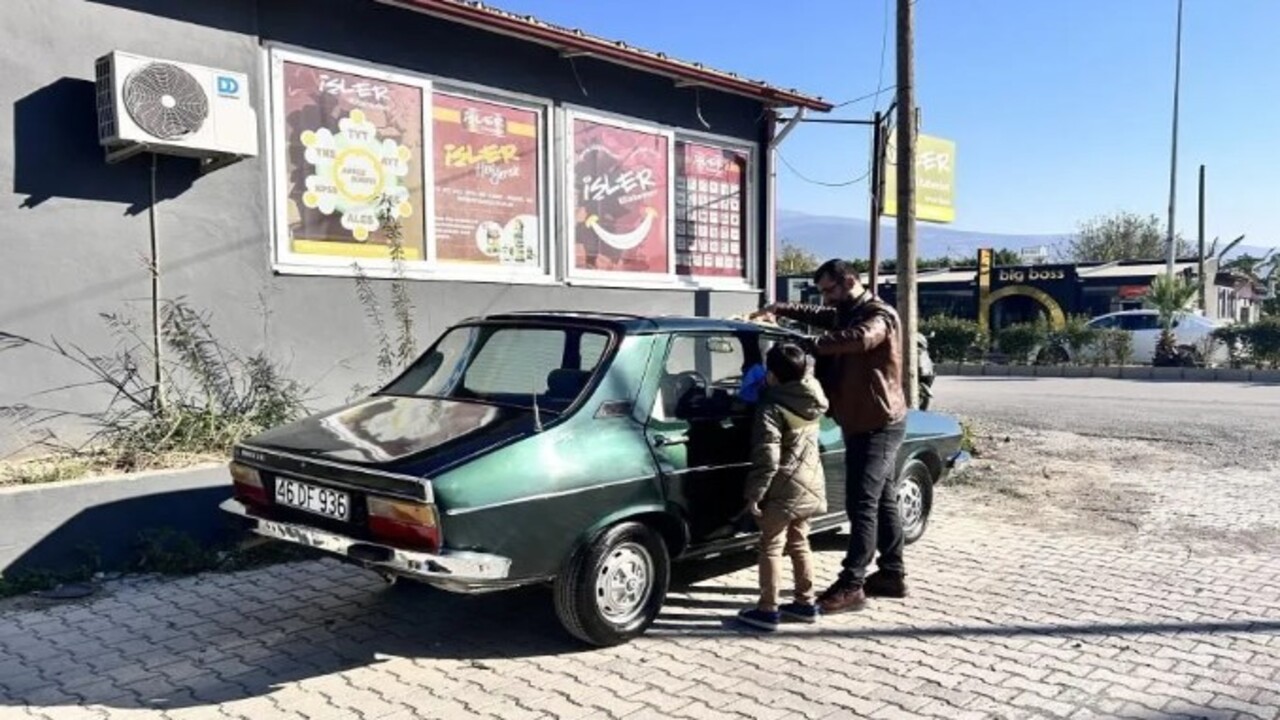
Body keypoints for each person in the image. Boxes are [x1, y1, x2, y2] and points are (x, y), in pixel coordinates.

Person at [751, 259, 908, 615]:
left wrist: (809, 344)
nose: (825, 298)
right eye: (822, 292)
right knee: (882, 499)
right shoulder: (844, 310)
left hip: (878, 421)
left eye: (829, 290)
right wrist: (779, 309)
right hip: (861, 419)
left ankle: (852, 585)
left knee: (861, 504)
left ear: (849, 281)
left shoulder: (878, 315)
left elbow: (861, 338)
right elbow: (818, 315)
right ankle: (892, 574)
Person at [736, 343, 830, 631]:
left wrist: (755, 495)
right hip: (811, 482)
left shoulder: (772, 407)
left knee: (771, 547)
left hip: (783, 488)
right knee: (801, 544)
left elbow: (768, 457)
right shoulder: (812, 396)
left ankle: (767, 610)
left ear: (773, 375)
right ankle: (805, 603)